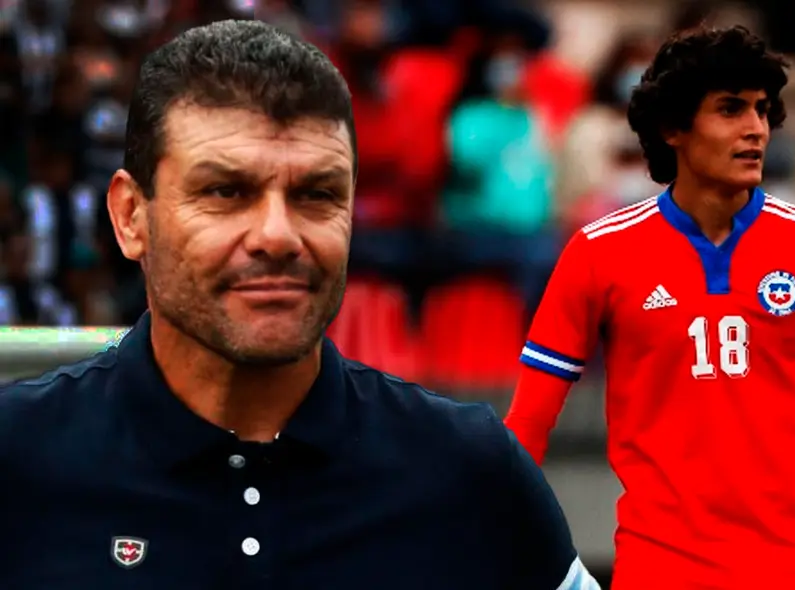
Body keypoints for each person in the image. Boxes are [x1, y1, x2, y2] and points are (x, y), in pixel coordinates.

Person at [0, 20, 599, 590]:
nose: (279, 235)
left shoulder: (470, 472)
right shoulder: (18, 459)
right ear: (131, 216)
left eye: (317, 194)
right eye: (226, 191)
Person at [504, 25, 795, 590]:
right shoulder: (598, 254)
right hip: (658, 575)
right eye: (731, 109)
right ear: (674, 127)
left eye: (763, 111)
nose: (756, 130)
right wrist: (491, 551)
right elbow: (528, 424)